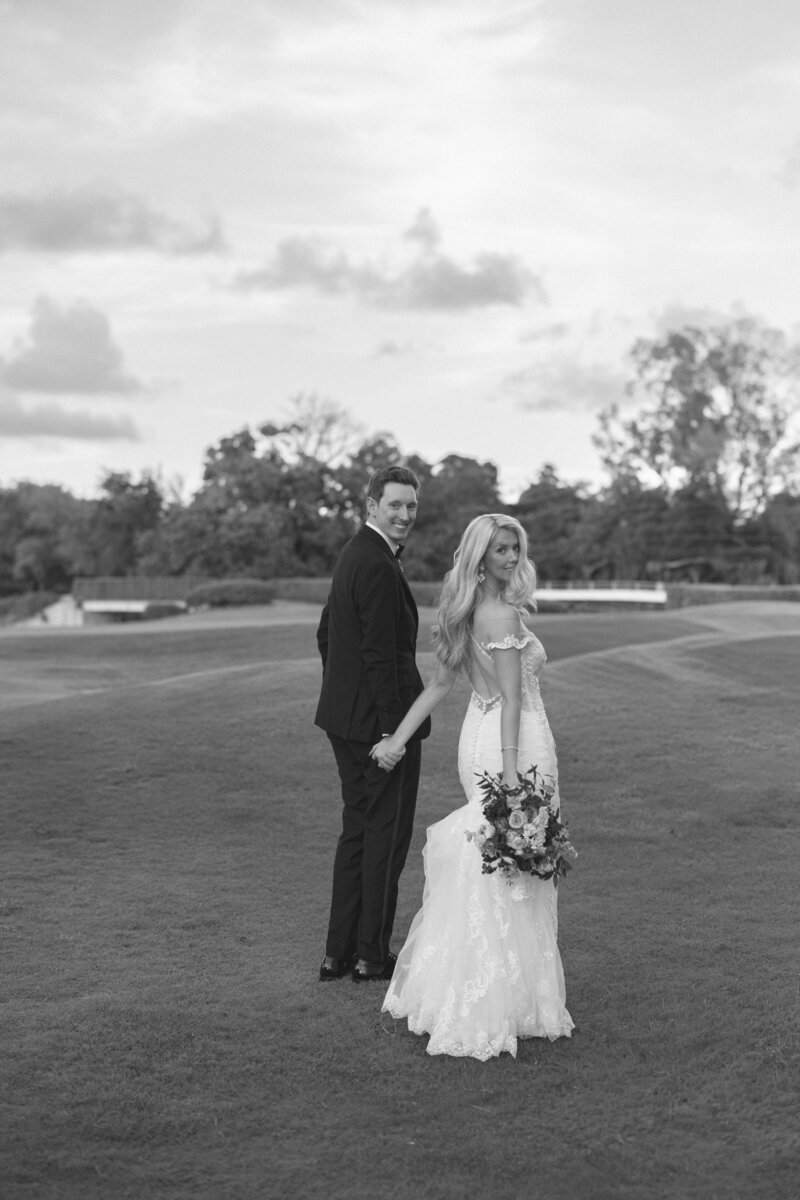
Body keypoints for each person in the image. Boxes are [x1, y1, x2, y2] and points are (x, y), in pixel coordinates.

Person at [372, 513, 574, 1059]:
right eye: (502, 550)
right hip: (514, 744)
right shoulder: (501, 613)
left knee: (495, 858)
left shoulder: (462, 611)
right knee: (512, 859)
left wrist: (397, 740)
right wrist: (512, 775)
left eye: (516, 548)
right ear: (480, 556)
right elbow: (512, 699)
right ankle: (500, 1000)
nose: (511, 558)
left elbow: (441, 685)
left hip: (476, 738)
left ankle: (474, 988)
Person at [315, 466, 431, 983]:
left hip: (344, 720)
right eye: (395, 505)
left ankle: (335, 954)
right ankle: (369, 956)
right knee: (384, 838)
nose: (404, 514)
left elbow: (327, 634)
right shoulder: (379, 564)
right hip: (379, 729)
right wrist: (391, 732)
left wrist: (345, 696)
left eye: (411, 506)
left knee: (357, 833)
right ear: (371, 506)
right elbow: (380, 656)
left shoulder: (354, 554)